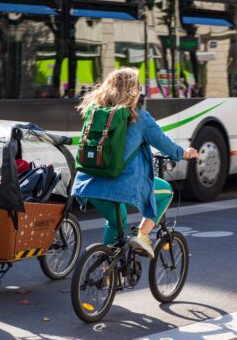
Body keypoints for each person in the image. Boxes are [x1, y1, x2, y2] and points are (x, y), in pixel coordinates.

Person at [72, 67, 199, 258]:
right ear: (133, 91)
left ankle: (107, 269)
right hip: (121, 185)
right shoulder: (139, 118)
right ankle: (142, 235)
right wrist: (185, 154)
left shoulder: (95, 113)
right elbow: (165, 144)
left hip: (88, 183)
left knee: (116, 222)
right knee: (165, 191)